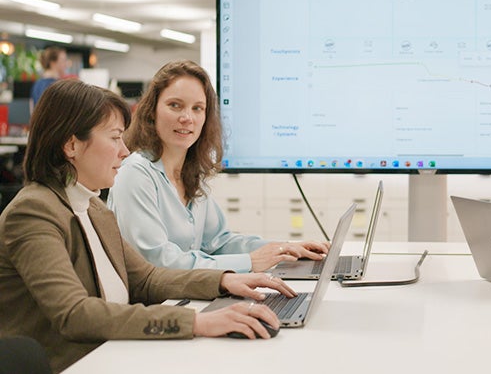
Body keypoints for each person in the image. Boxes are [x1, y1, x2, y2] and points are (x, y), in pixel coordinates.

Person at [0, 80, 297, 373]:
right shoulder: (33, 212)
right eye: (115, 138)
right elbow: (76, 314)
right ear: (71, 145)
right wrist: (197, 322)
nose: (124, 151)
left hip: (116, 353)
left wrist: (223, 281)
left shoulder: (93, 207)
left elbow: (146, 279)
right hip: (76, 364)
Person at [108, 60, 329, 273]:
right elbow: (158, 261)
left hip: (191, 295)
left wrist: (284, 248)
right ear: (151, 110)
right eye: (175, 105)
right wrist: (249, 262)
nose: (187, 118)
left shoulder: (190, 174)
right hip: (157, 307)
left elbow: (219, 242)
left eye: (197, 108)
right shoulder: (135, 174)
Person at [30, 46, 68, 111]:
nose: (66, 64)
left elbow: (31, 109)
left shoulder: (37, 84)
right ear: (52, 63)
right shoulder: (56, 86)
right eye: (63, 60)